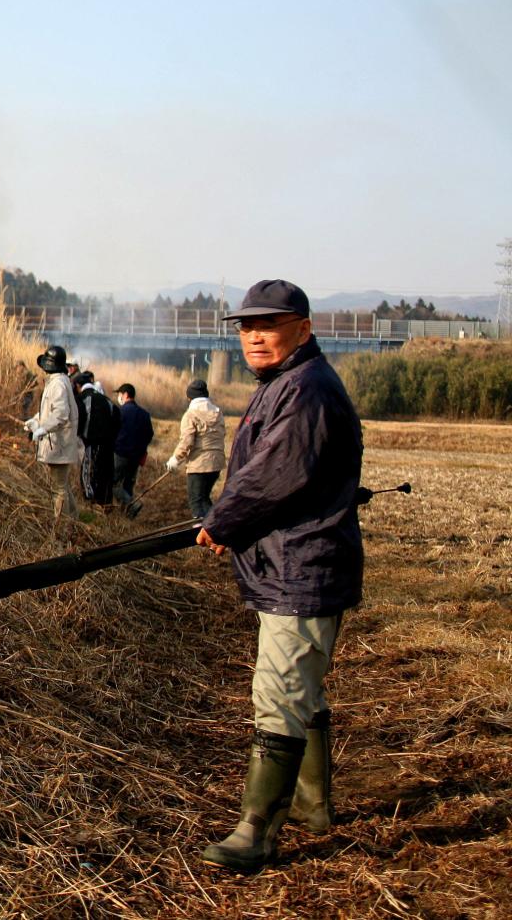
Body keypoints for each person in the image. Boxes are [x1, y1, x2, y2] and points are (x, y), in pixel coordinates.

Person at [196, 279, 363, 874]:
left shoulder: (306, 389)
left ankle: (256, 831)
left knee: (280, 691)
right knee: (301, 690)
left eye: (268, 324)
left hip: (304, 564)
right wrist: (231, 523)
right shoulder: (286, 382)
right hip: (294, 561)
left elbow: (275, 474)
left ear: (304, 328)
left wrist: (225, 521)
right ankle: (312, 807)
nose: (254, 336)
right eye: (245, 326)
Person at [23, 344, 82, 518]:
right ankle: (73, 521)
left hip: (58, 444)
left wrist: (42, 429)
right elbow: (49, 411)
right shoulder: (59, 381)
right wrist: (35, 421)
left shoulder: (58, 384)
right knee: (62, 486)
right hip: (58, 444)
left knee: (59, 490)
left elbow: (60, 414)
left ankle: (62, 525)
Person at [166, 378, 226, 518]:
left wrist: (175, 460)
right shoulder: (218, 412)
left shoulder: (190, 414)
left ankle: (200, 532)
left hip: (200, 464)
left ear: (189, 397)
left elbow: (187, 442)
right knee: (204, 499)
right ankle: (214, 527)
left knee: (196, 501)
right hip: (217, 462)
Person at [75, 371, 120, 505]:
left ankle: (90, 503)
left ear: (78, 385)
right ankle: (106, 503)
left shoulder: (81, 398)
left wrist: (79, 436)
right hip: (109, 444)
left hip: (92, 442)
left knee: (89, 473)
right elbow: (117, 416)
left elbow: (78, 420)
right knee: (106, 474)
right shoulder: (106, 399)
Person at [111, 383, 153, 517]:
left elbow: (112, 432)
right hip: (136, 456)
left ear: (125, 395)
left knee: (113, 483)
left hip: (121, 453)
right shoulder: (144, 414)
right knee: (128, 484)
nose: (119, 397)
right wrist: (141, 449)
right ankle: (128, 515)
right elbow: (149, 434)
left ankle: (132, 504)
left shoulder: (120, 411)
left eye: (119, 394)